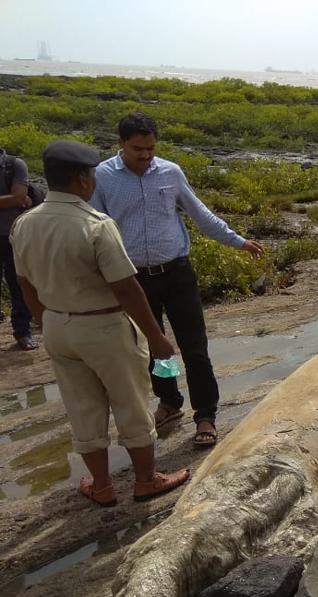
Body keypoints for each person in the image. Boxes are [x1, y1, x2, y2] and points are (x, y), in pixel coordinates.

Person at [10, 140, 190, 507]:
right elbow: (125, 287)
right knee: (132, 405)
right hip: (103, 326)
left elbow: (25, 285)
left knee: (82, 408)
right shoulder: (96, 225)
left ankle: (103, 486)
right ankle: (145, 480)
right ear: (81, 179)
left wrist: (48, 324)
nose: (93, 181)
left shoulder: (25, 224)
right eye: (91, 175)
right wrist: (156, 337)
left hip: (59, 325)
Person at [91, 112, 264, 449]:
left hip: (177, 272)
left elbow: (200, 214)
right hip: (133, 280)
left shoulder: (170, 172)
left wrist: (237, 240)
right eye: (137, 148)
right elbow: (94, 227)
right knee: (157, 349)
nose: (145, 155)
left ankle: (205, 414)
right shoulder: (103, 176)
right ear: (121, 144)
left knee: (194, 347)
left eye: (151, 148)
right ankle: (169, 400)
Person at [0, 149, 38, 350]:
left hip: (13, 236)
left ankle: (23, 332)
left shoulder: (13, 164)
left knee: (19, 284)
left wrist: (15, 198)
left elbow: (18, 196)